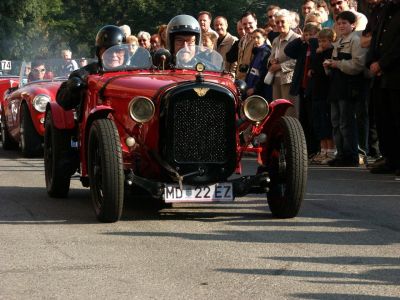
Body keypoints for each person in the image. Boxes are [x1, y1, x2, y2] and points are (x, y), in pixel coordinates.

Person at [324, 11, 367, 167]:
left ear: (353, 25)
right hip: (336, 87)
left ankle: (351, 155)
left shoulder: (356, 41)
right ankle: (341, 153)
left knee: (346, 122)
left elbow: (358, 65)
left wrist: (338, 64)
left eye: (345, 23)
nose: (341, 26)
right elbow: (335, 64)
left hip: (348, 88)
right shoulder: (339, 41)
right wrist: (328, 65)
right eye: (339, 23)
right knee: (335, 122)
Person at [366, 0, 400, 176]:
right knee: (384, 120)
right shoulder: (384, 9)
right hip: (381, 77)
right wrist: (371, 61)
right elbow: (376, 38)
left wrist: (382, 64)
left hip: (395, 73)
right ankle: (390, 159)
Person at [56, 25, 125, 111]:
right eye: (108, 50)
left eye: (118, 50)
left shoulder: (134, 72)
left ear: (124, 53)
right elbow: (63, 101)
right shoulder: (84, 73)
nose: (114, 55)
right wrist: (73, 89)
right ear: (99, 52)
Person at [285, 23, 321, 154]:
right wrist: (300, 39)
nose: (309, 37)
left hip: (314, 87)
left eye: (312, 34)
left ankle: (315, 148)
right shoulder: (302, 46)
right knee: (304, 119)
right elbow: (288, 50)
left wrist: (313, 40)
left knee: (313, 119)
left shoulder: (317, 46)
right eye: (306, 34)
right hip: (302, 87)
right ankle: (306, 149)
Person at [308, 28, 336, 164]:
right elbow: (313, 68)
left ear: (331, 40)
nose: (321, 43)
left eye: (324, 41)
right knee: (318, 122)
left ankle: (331, 150)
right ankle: (322, 150)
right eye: (320, 41)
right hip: (316, 91)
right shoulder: (318, 53)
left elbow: (329, 74)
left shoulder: (331, 53)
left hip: (326, 92)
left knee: (326, 122)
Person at [268, 9, 300, 110]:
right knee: (276, 110)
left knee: (289, 110)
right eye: (277, 22)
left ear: (289, 22)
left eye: (282, 21)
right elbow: (270, 57)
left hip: (289, 80)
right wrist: (271, 61)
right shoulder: (275, 40)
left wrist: (280, 66)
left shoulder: (296, 39)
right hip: (275, 78)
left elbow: (298, 61)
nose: (280, 24)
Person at [245, 28, 271, 100]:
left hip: (259, 91)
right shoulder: (257, 51)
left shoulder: (266, 52)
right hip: (251, 87)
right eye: (253, 38)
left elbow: (264, 74)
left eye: (258, 37)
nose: (255, 40)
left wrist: (255, 89)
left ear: (264, 38)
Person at [236, 11, 258, 80]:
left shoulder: (262, 39)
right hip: (241, 79)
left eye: (250, 23)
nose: (247, 26)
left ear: (256, 22)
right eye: (244, 24)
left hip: (253, 81)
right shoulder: (243, 39)